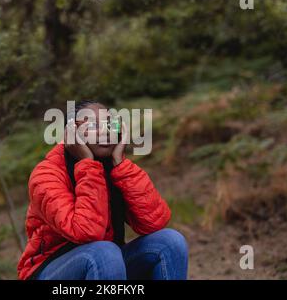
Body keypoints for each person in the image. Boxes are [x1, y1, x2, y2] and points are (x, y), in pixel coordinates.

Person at [17, 100, 188, 280]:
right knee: (104, 252)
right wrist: (87, 165)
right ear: (72, 132)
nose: (105, 131)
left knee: (171, 242)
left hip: (106, 262)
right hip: (51, 270)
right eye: (93, 125)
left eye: (109, 124)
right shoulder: (47, 175)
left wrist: (120, 165)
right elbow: (85, 232)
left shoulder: (112, 167)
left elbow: (154, 222)